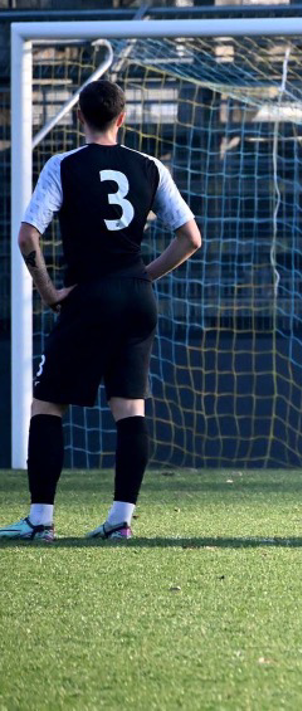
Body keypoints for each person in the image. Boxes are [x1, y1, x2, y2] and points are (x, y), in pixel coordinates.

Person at [0, 80, 201, 542]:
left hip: (89, 296)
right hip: (136, 297)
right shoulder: (151, 166)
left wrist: (50, 292)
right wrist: (143, 277)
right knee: (130, 408)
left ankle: (41, 521)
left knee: (48, 403)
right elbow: (191, 238)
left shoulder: (64, 165)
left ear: (78, 118)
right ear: (123, 118)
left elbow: (29, 236)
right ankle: (120, 519)